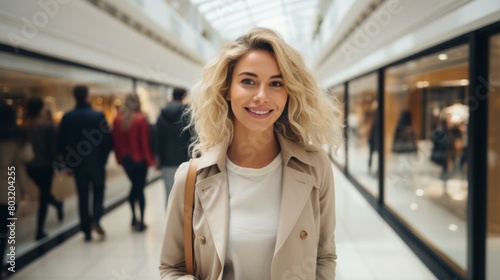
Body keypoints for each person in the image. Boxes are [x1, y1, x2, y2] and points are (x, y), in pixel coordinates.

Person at [159, 27, 342, 279]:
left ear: (288, 93)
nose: (262, 96)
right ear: (227, 89)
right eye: (248, 81)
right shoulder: (191, 178)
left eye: (276, 83)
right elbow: (172, 267)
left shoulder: (314, 167)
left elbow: (324, 256)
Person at [58, 85, 111, 241]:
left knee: (82, 195)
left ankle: (86, 229)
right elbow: (106, 142)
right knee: (99, 191)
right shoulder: (98, 116)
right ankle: (96, 219)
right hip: (96, 163)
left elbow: (62, 144)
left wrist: (68, 163)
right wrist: (103, 160)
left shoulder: (67, 117)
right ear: (87, 96)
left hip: (78, 164)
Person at [112, 94, 155, 231]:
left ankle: (133, 217)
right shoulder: (141, 119)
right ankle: (141, 221)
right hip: (140, 160)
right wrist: (150, 160)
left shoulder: (118, 120)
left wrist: (119, 159)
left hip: (126, 161)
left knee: (134, 187)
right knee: (140, 189)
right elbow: (144, 143)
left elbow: (116, 143)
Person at [0, 100, 34, 279]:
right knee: (5, 230)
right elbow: (27, 158)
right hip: (9, 187)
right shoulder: (17, 137)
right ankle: (4, 267)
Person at [24, 97, 63, 241]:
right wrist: (57, 165)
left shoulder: (24, 126)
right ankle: (40, 230)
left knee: (44, 192)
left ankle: (57, 205)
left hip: (30, 166)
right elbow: (52, 148)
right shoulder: (47, 126)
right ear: (41, 109)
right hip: (45, 166)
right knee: (44, 194)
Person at [155, 88, 192, 208]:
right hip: (185, 161)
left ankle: (170, 224)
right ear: (184, 96)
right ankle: (185, 224)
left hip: (167, 161)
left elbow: (157, 139)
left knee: (169, 193)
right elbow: (193, 137)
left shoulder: (161, 116)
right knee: (186, 194)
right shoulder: (187, 114)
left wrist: (158, 159)